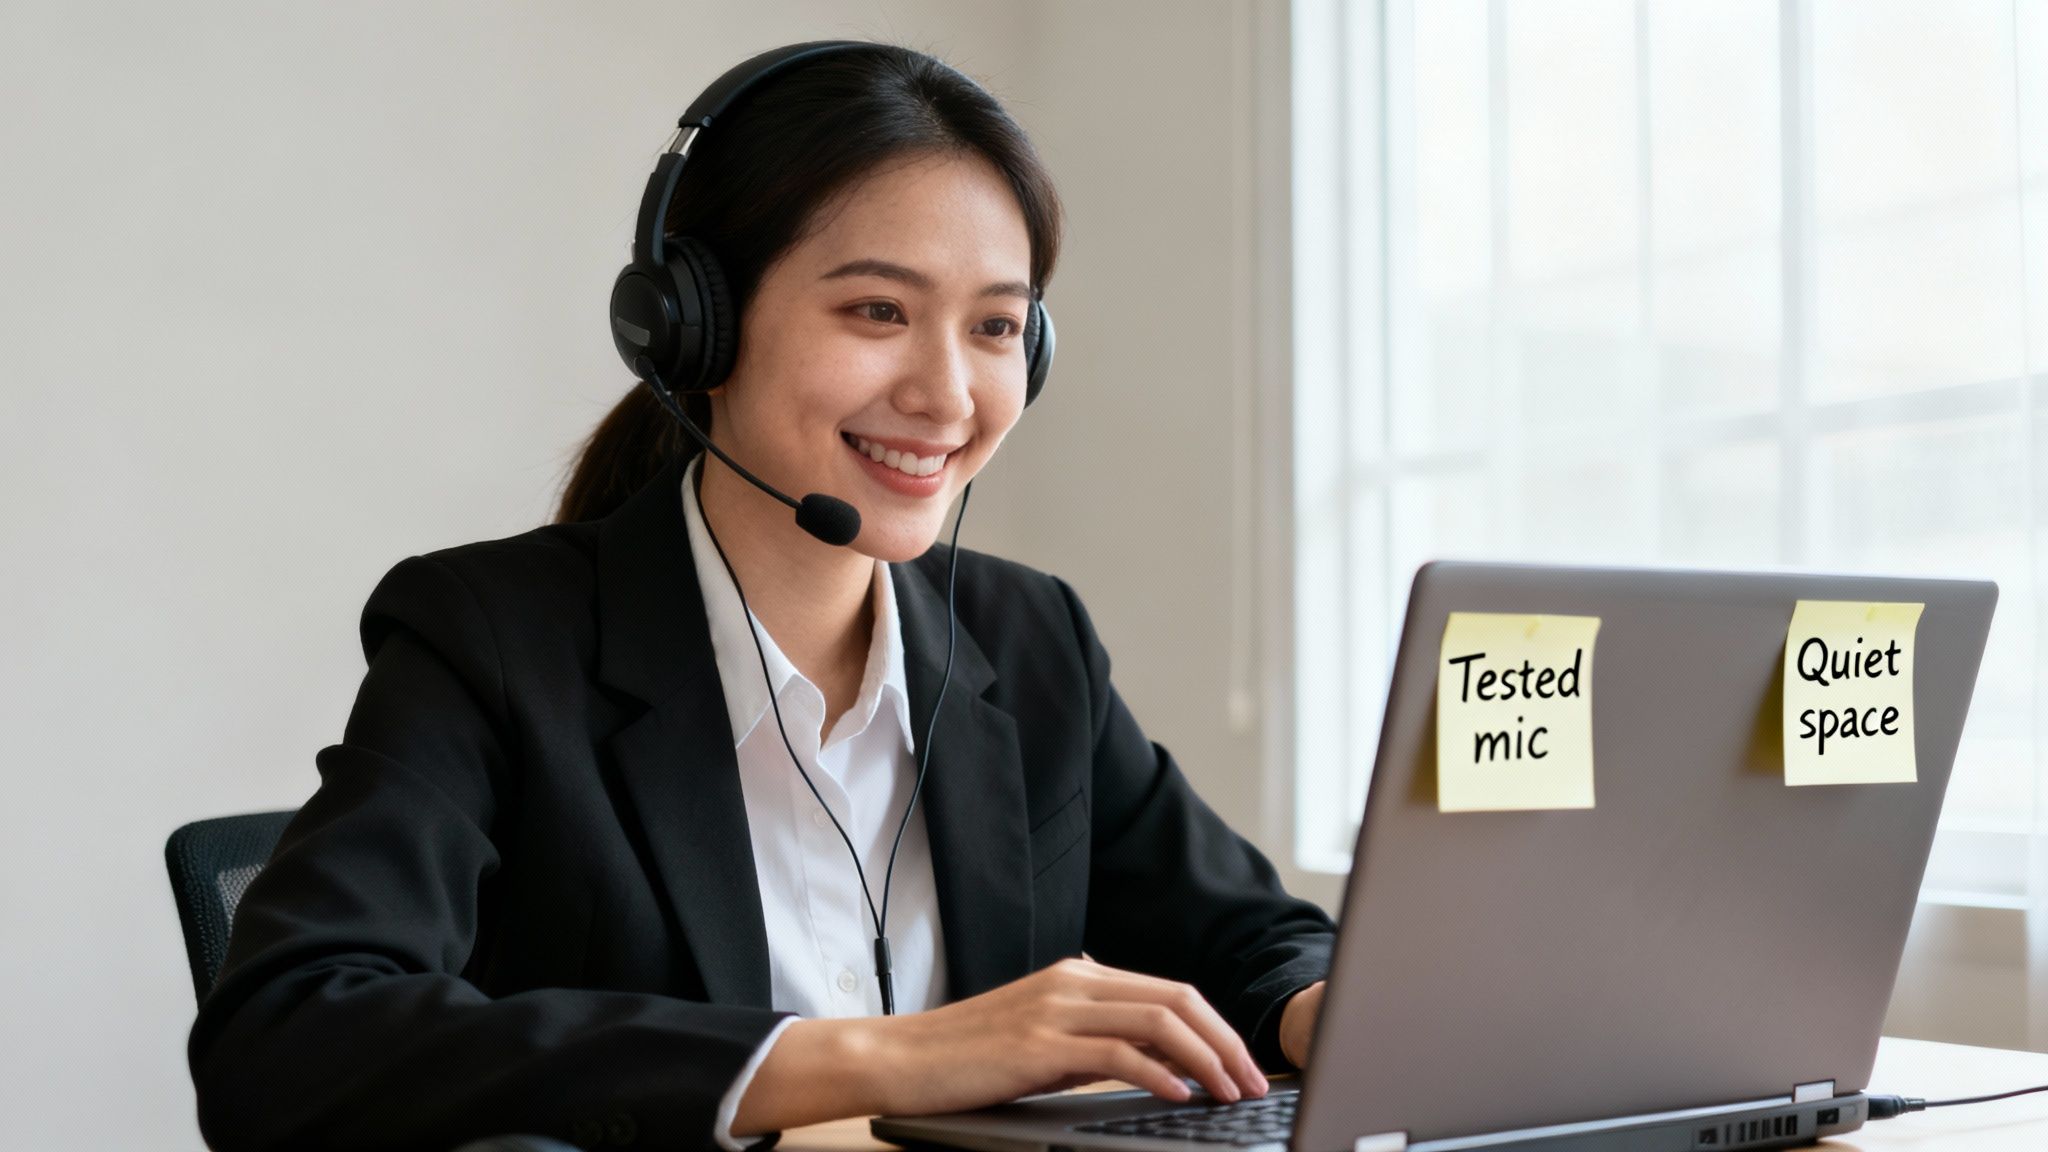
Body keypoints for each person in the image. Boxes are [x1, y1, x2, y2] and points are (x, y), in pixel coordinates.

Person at [187, 40, 1335, 1152]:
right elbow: (288, 1040)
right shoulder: (491, 639)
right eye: (877, 311)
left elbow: (1250, 937)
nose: (945, 395)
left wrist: (1315, 1006)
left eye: (992, 327)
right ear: (699, 325)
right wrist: (889, 1059)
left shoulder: (1028, 640)